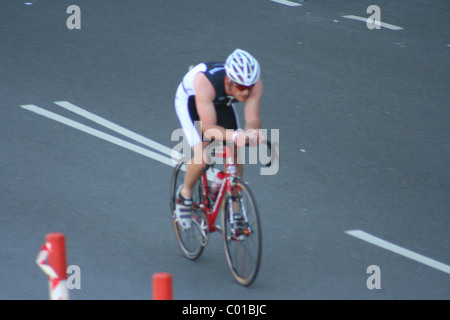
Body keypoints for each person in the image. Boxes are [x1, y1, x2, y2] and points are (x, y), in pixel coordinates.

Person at [174, 48, 265, 228]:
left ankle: (236, 211)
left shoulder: (254, 85)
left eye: (249, 87)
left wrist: (251, 132)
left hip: (222, 100)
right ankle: (184, 194)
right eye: (241, 87)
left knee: (235, 154)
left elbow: (252, 119)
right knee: (204, 157)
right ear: (228, 81)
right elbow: (208, 130)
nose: (246, 93)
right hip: (192, 100)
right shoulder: (205, 83)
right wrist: (236, 135)